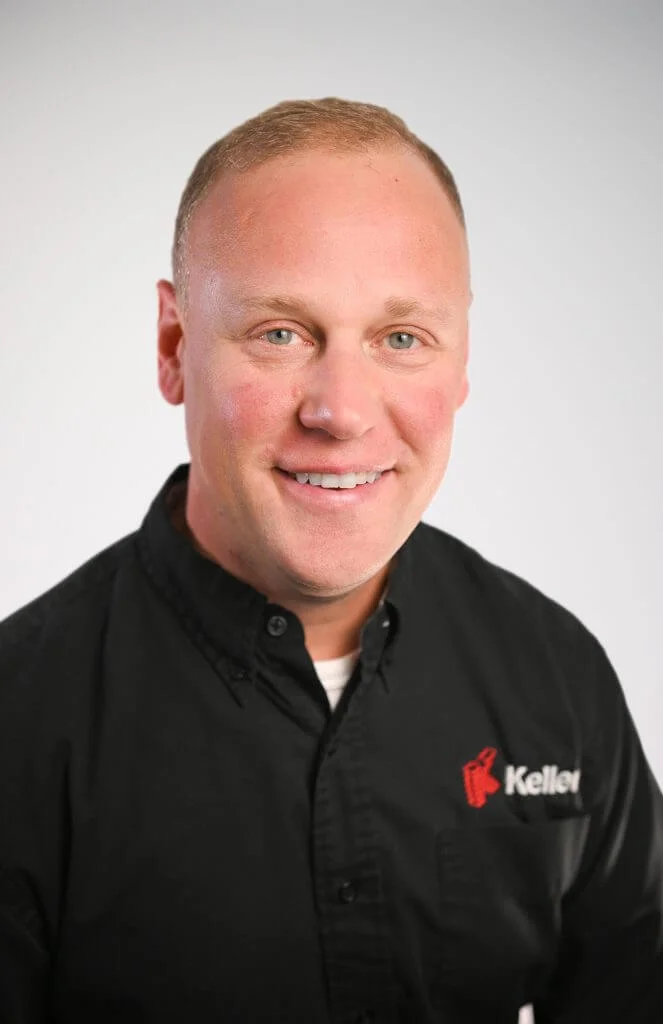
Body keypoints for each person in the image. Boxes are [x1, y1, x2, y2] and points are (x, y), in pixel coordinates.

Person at [0, 97, 661, 1024]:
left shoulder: (557, 678)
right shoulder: (21, 723)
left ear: (461, 357)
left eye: (400, 339)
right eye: (281, 334)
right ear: (173, 345)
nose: (341, 411)